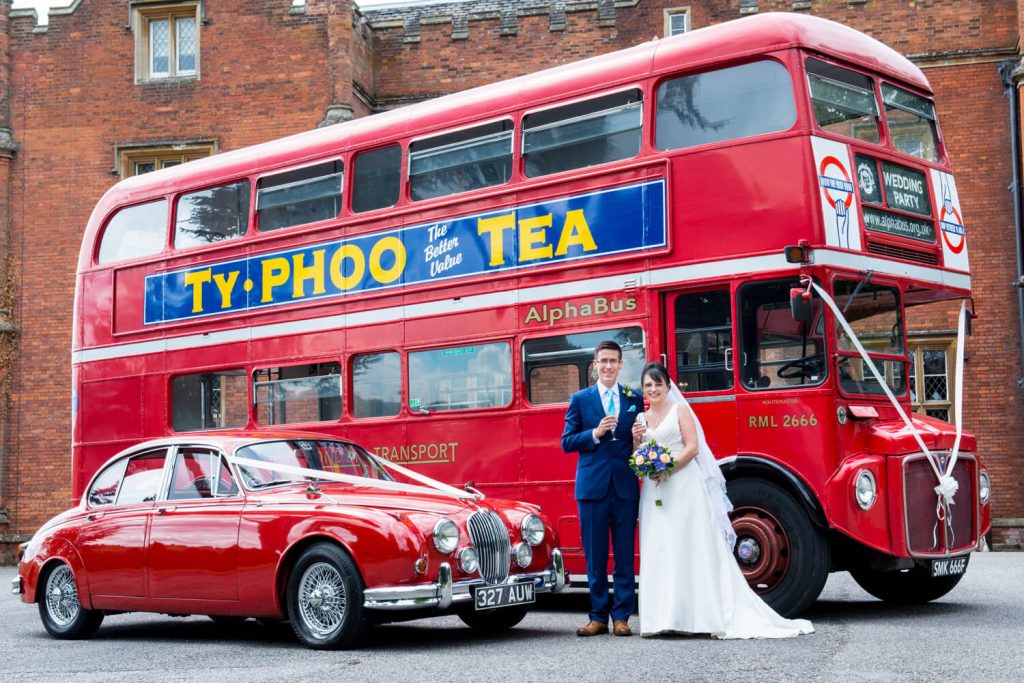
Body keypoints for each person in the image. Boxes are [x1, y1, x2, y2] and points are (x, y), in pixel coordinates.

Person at [630, 361, 814, 638]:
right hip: (656, 492)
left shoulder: (680, 411)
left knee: (690, 547)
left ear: (668, 386)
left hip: (683, 486)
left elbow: (692, 448)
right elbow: (638, 454)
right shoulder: (641, 420)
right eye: (648, 385)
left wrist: (667, 469)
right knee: (661, 548)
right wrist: (637, 445)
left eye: (658, 383)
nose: (653, 389)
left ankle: (699, 619)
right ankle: (664, 618)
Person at [561, 340, 644, 637]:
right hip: (592, 487)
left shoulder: (634, 397)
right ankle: (597, 616)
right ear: (595, 365)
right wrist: (594, 434)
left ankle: (621, 617)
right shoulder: (580, 399)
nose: (608, 366)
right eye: (603, 361)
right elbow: (566, 442)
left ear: (621, 365)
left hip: (624, 486)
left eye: (613, 361)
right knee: (595, 555)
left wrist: (639, 438)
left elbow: (640, 443)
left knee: (624, 554)